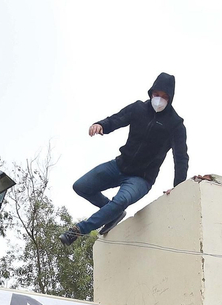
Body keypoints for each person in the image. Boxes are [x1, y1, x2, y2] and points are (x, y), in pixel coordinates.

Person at [58, 72, 189, 245]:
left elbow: (180, 157)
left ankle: (78, 230)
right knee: (81, 186)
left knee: (121, 200)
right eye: (156, 95)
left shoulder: (175, 125)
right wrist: (101, 125)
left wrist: (178, 187)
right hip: (119, 166)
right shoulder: (138, 109)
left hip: (141, 179)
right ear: (151, 93)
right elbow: (118, 119)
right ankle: (114, 213)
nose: (159, 100)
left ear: (170, 99)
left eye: (164, 97)